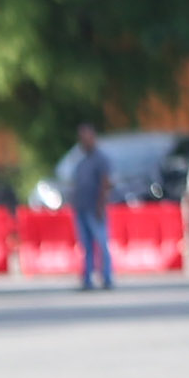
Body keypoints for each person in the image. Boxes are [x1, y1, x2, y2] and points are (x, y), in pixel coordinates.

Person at [62, 123, 115, 291]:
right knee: (86, 246)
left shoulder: (101, 159)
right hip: (81, 208)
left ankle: (106, 277)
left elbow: (105, 183)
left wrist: (101, 205)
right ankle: (87, 278)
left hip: (95, 208)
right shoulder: (81, 161)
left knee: (101, 243)